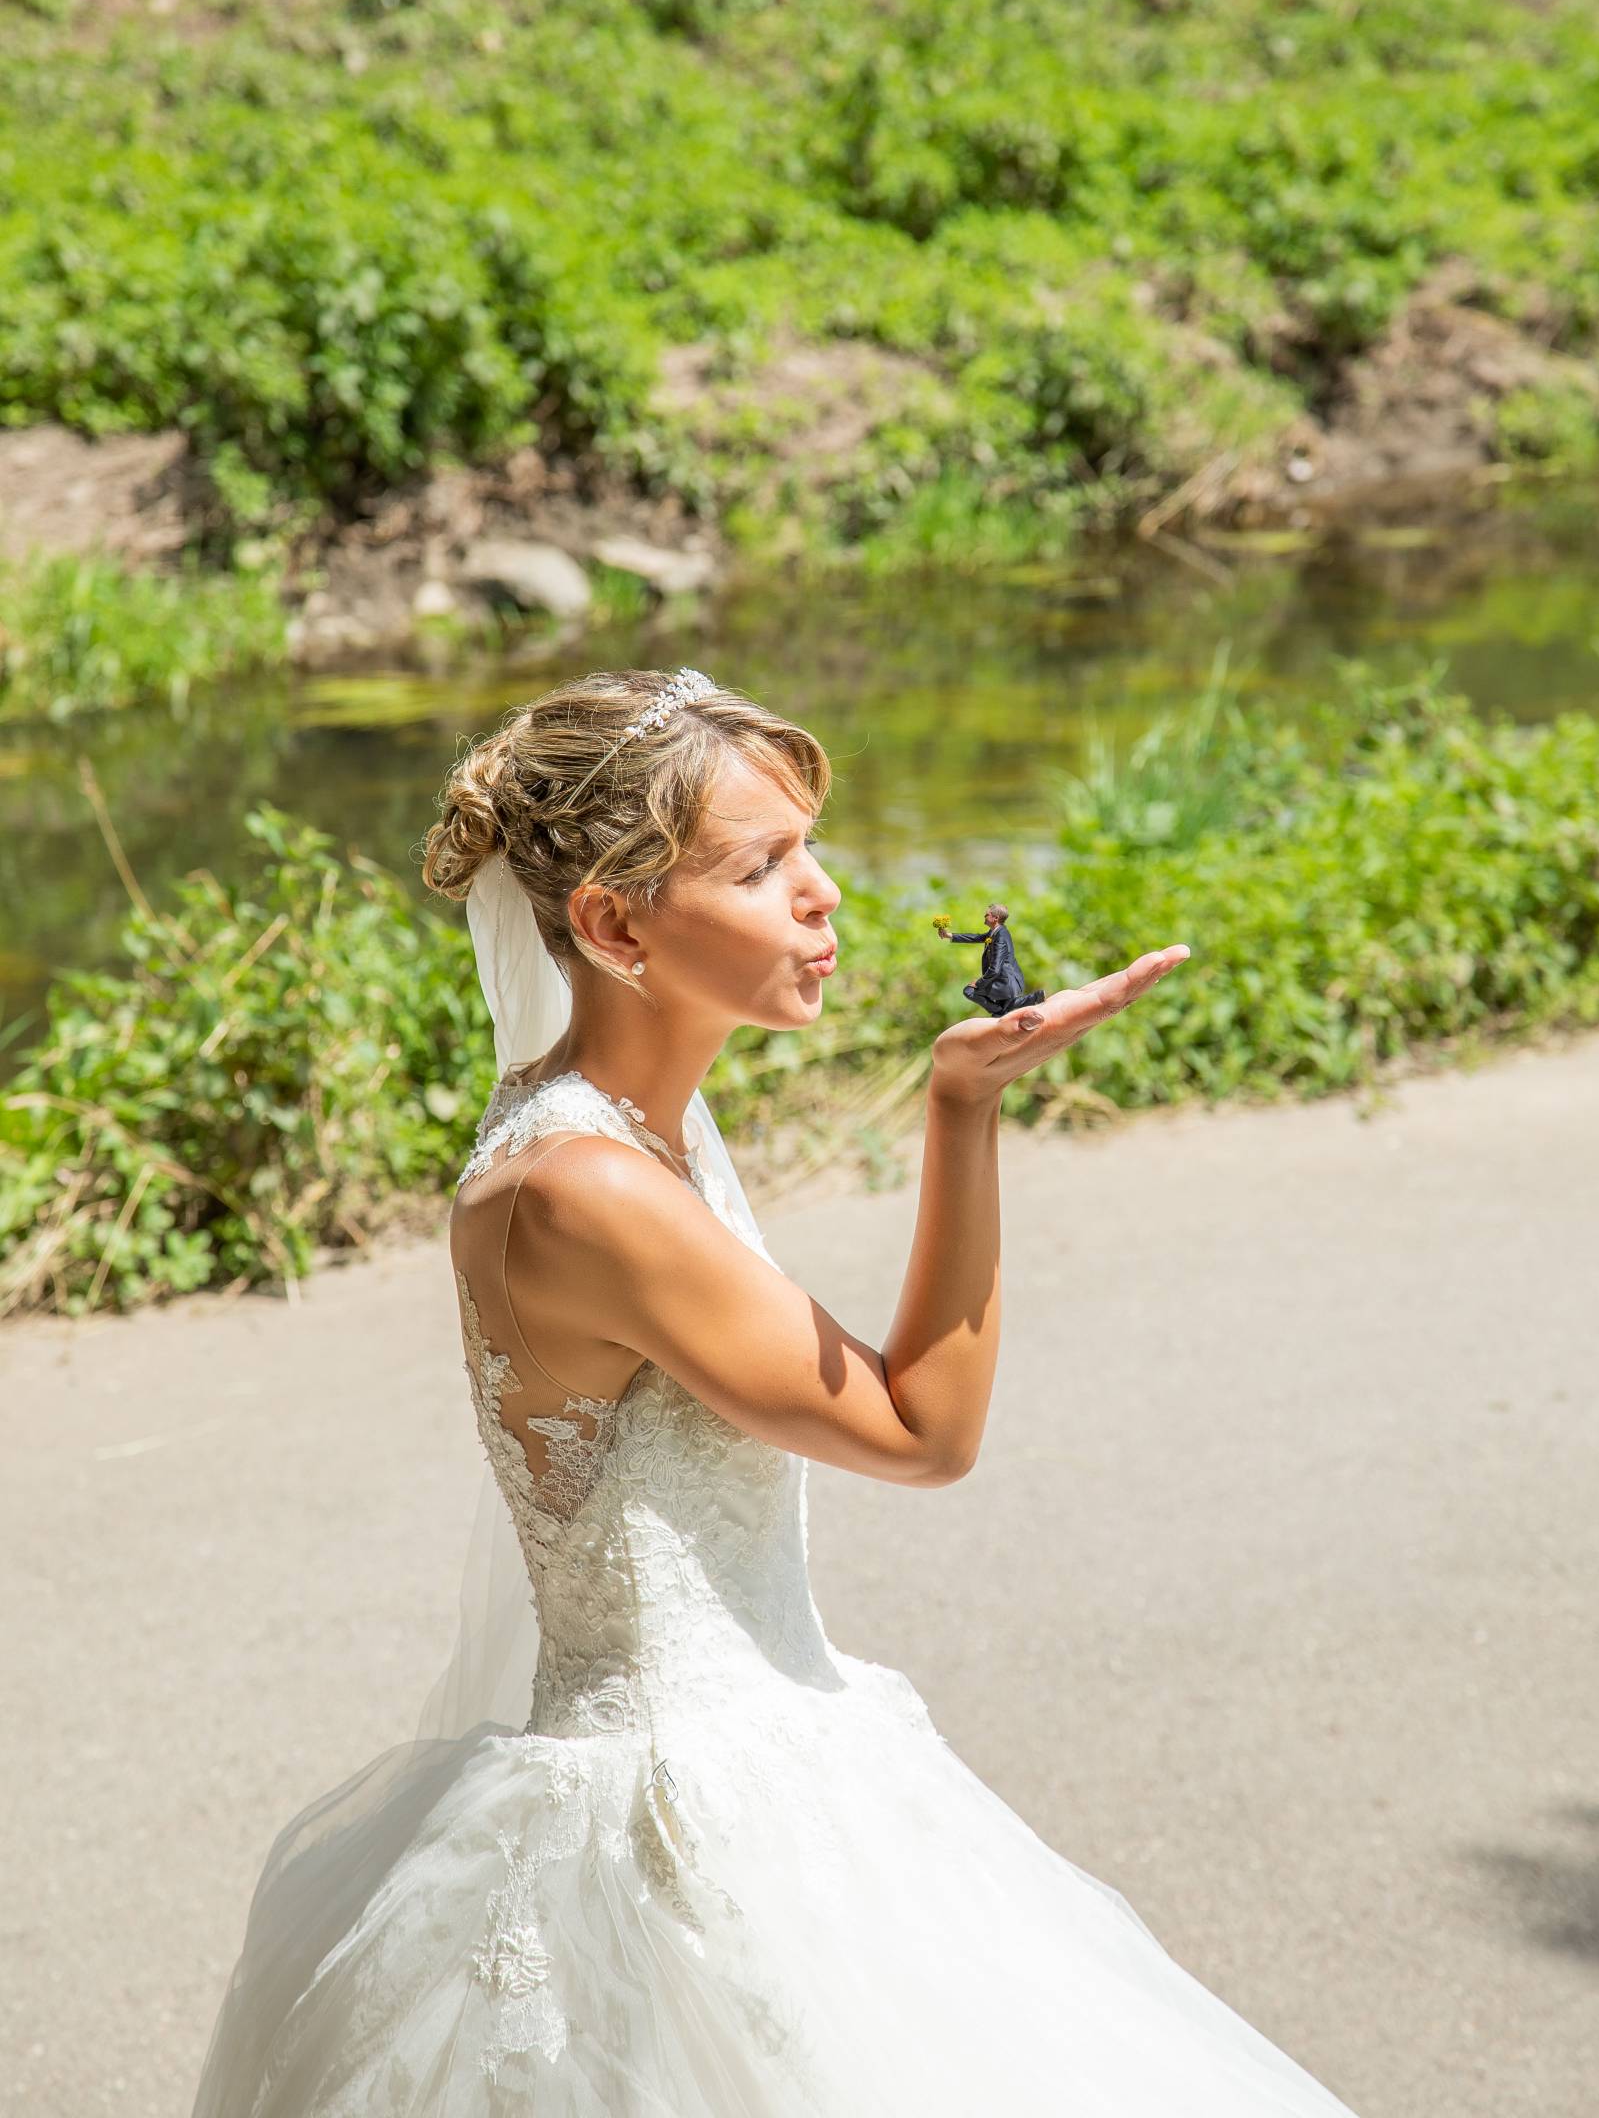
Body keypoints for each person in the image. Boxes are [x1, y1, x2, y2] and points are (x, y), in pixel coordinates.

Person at [191, 665, 1360, 2115]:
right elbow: (928, 1431)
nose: (825, 894)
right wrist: (963, 1113)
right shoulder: (585, 1190)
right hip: (694, 1814)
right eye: (763, 865)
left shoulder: (626, 1133)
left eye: (810, 847)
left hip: (747, 1736)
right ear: (617, 926)